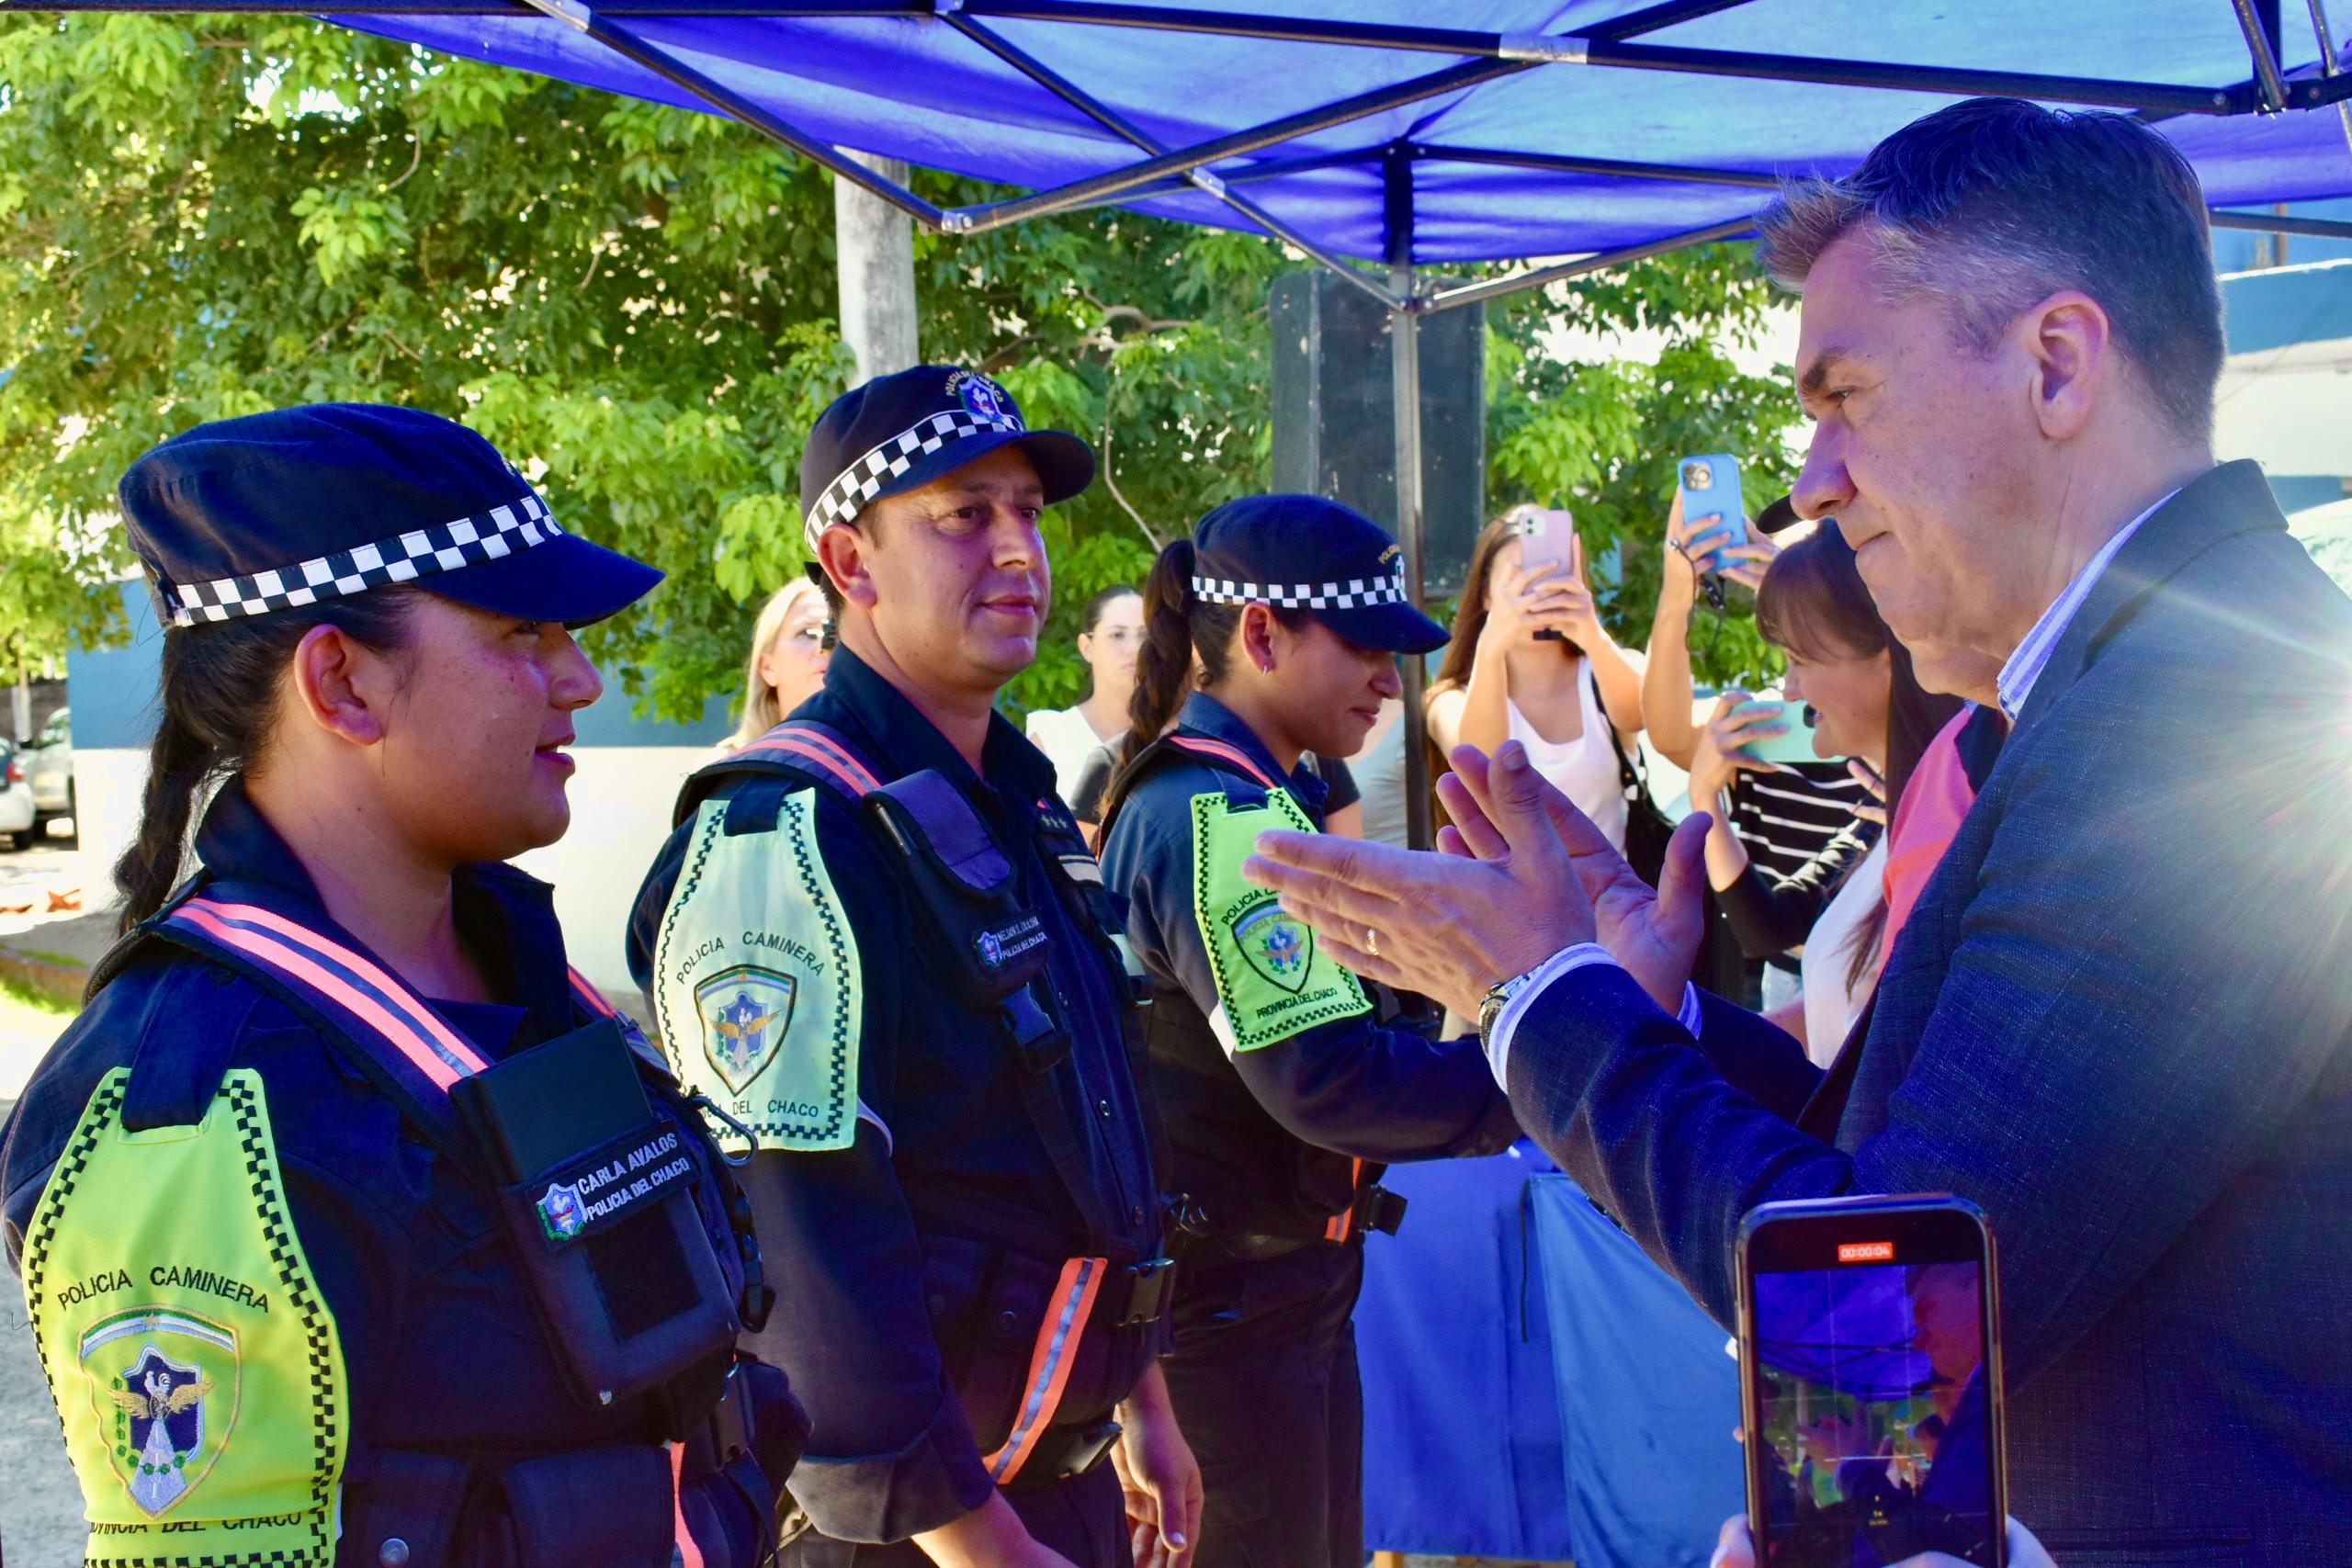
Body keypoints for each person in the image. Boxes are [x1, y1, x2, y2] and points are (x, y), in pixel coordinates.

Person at [1240, 97, 2352, 1562]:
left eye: (1846, 396)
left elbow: (1888, 1325)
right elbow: (1958, 1147)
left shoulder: (2197, 710)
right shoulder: (2160, 680)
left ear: (2059, 363)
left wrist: (1542, 1001)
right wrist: (1655, 1015)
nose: (1811, 478)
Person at [0, 404, 805, 1567]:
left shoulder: (517, 973)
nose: (578, 678)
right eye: (523, 632)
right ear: (343, 685)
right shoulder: (192, 1105)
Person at [628, 366, 1198, 1568]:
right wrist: (979, 1539)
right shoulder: (783, 831)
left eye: (1029, 511)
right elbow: (809, 1249)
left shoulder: (1016, 799)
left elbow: (1086, 1124)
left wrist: (1140, 1398)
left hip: (1063, 1476)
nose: (1018, 549)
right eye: (963, 514)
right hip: (924, 1531)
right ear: (849, 562)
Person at [1095, 494, 1520, 1568]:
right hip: (1232, 1321)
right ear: (1260, 634)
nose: (1391, 678)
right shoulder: (1219, 815)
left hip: (1276, 1299)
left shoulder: (1256, 798)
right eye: (1365, 646)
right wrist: (1544, 1073)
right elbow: (1326, 1081)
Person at [1679, 525, 1961, 1057]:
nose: (1788, 690)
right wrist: (1704, 799)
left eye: (1800, 660)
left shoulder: (1947, 823)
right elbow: (1773, 928)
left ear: (1888, 653)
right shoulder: (1888, 805)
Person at [1642, 495, 1872, 1009]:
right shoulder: (1765, 719)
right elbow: (1670, 731)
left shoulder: (1919, 742)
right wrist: (1677, 594)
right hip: (1790, 975)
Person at [1426, 506, 1645, 852]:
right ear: (1486, 594)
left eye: (1551, 574)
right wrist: (1492, 647)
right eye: (1520, 579)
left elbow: (1638, 714)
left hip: (1615, 903)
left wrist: (1590, 632)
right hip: (1512, 905)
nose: (1536, 591)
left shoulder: (1609, 670)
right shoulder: (1450, 700)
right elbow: (1482, 764)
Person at [1026, 585, 1145, 802]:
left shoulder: (1170, 733)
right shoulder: (1053, 736)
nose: (1134, 648)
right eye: (1117, 635)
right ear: (1086, 646)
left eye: (1144, 635)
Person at [722, 576, 833, 751]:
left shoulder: (882, 761)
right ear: (767, 666)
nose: (825, 648)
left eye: (835, 633)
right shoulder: (726, 767)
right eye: (807, 633)